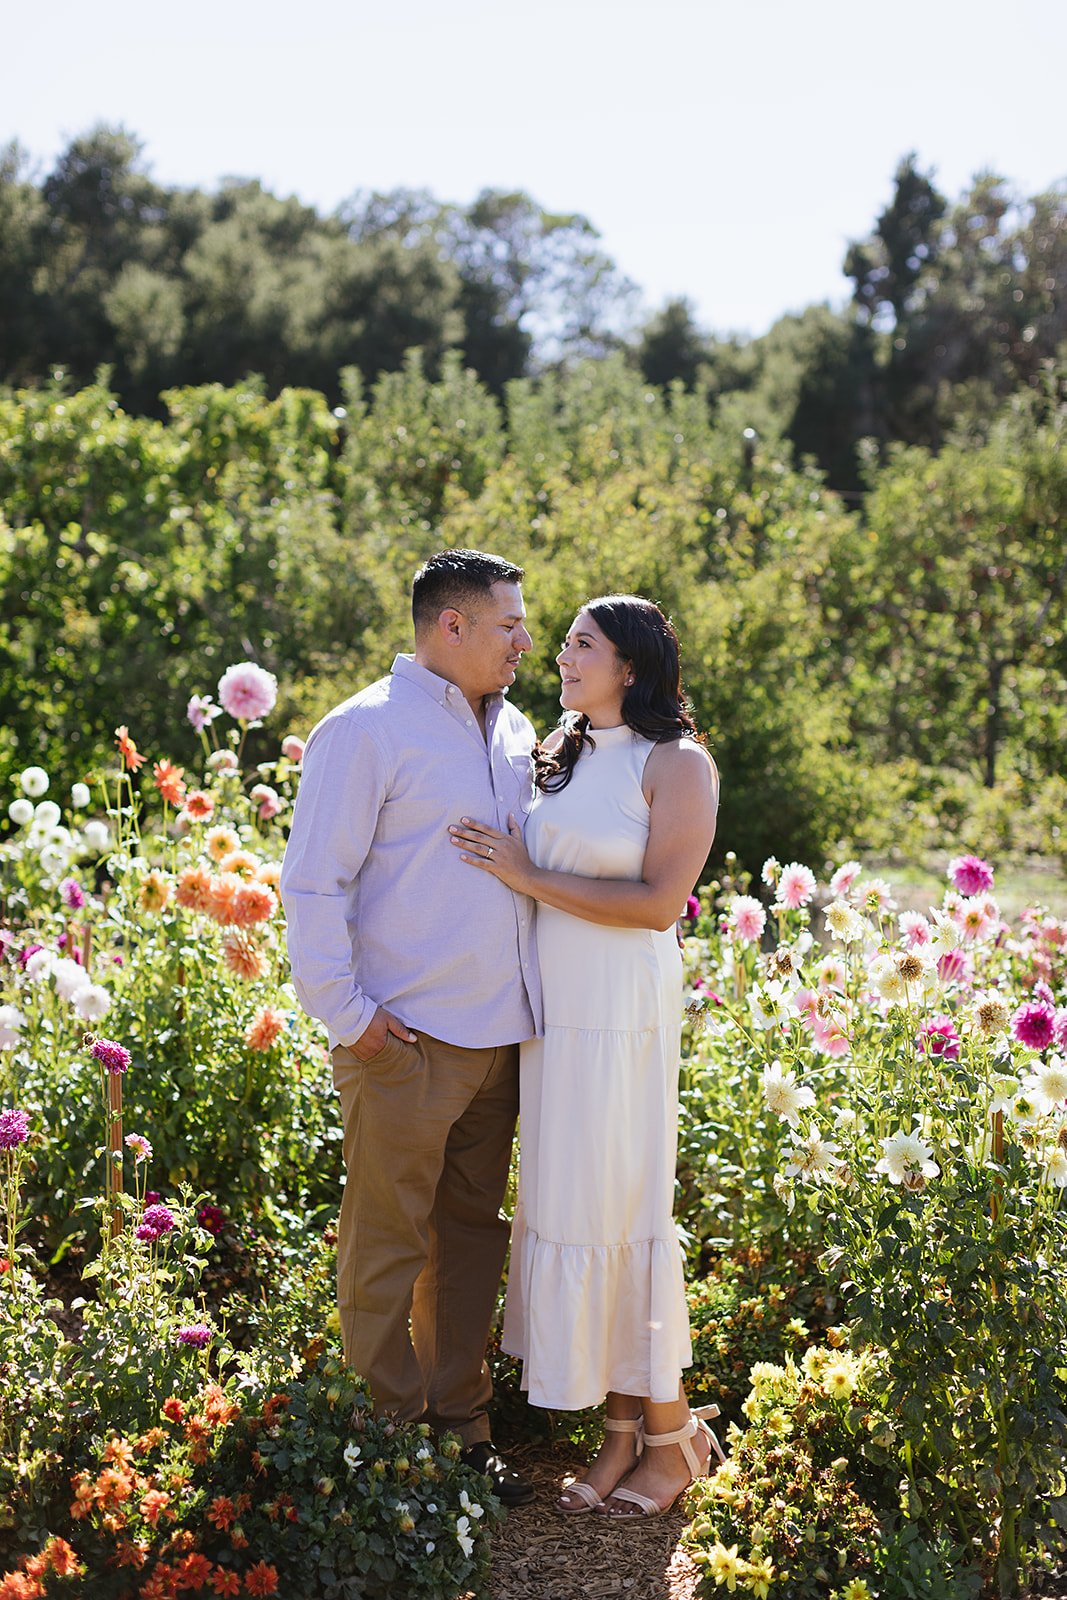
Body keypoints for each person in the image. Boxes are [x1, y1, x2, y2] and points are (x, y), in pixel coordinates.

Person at [448, 594, 722, 1520]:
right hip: (552, 1018)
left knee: (624, 1209)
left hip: (622, 1015)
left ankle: (672, 1434)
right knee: (577, 1206)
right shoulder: (557, 752)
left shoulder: (676, 764)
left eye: (580, 644)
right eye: (561, 641)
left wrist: (524, 875)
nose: (559, 655)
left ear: (631, 667)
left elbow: (655, 904)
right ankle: (622, 1435)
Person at [279, 548, 542, 1505]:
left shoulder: (517, 734)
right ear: (452, 626)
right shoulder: (364, 731)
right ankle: (380, 1443)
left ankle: (459, 1431)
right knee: (387, 1239)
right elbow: (313, 882)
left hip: (500, 1042)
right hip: (404, 1043)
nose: (525, 642)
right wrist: (351, 1020)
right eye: (508, 624)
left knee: (471, 1237)